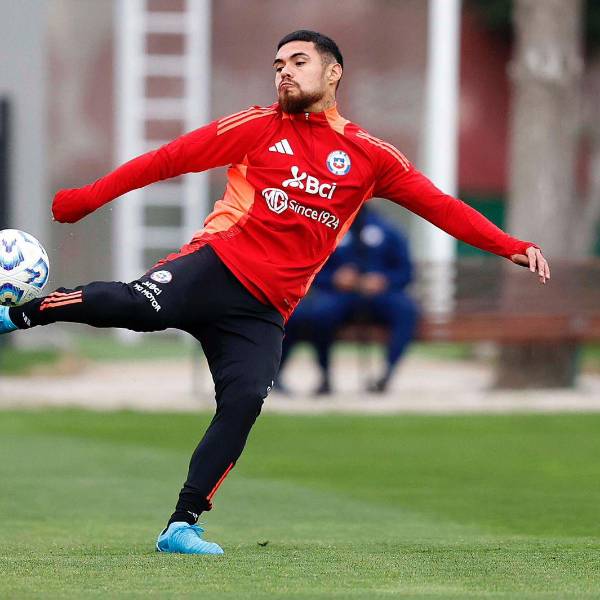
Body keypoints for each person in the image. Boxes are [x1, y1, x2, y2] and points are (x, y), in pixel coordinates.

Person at [0, 30, 550, 555]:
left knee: (243, 402)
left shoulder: (371, 156)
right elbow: (167, 159)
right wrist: (89, 197)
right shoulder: (256, 126)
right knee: (136, 307)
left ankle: (182, 524)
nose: (284, 72)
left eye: (298, 62)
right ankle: (23, 316)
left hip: (264, 310)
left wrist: (510, 245)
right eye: (278, 65)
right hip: (214, 268)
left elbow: (441, 206)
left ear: (333, 73)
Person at [279, 206, 419, 394]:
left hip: (380, 296)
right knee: (316, 313)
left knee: (406, 310)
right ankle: (324, 377)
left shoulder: (388, 230)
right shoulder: (327, 230)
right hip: (339, 296)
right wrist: (334, 278)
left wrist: (384, 280)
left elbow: (405, 272)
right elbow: (311, 271)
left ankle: (386, 375)